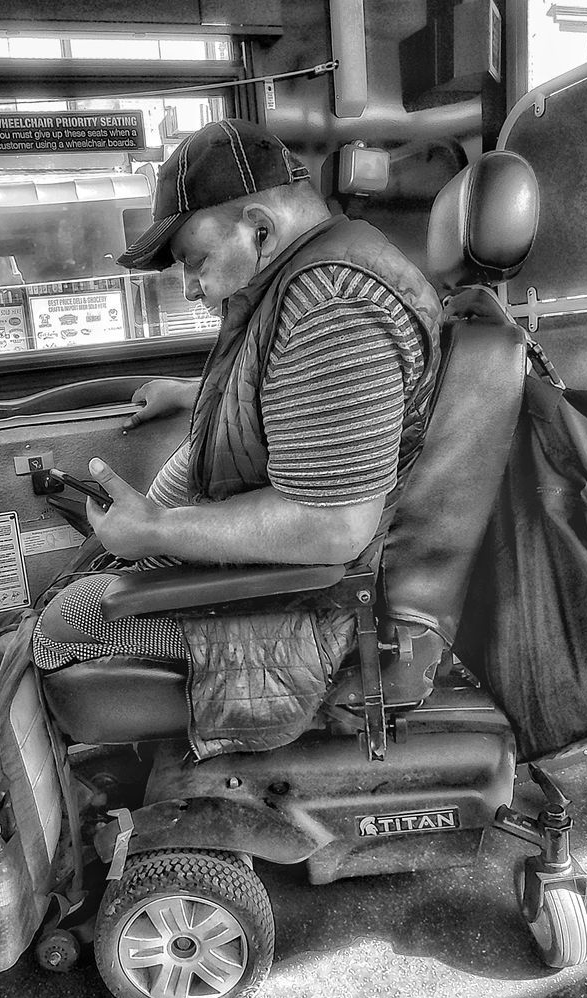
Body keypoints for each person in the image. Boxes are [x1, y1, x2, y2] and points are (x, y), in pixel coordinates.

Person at [33, 118, 443, 759]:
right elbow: (305, 408)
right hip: (273, 565)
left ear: (260, 225)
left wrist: (158, 533)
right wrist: (192, 394)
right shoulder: (301, 278)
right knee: (74, 586)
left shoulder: (335, 308)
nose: (191, 286)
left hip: (313, 600)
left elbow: (333, 524)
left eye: (194, 262)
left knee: (61, 629)